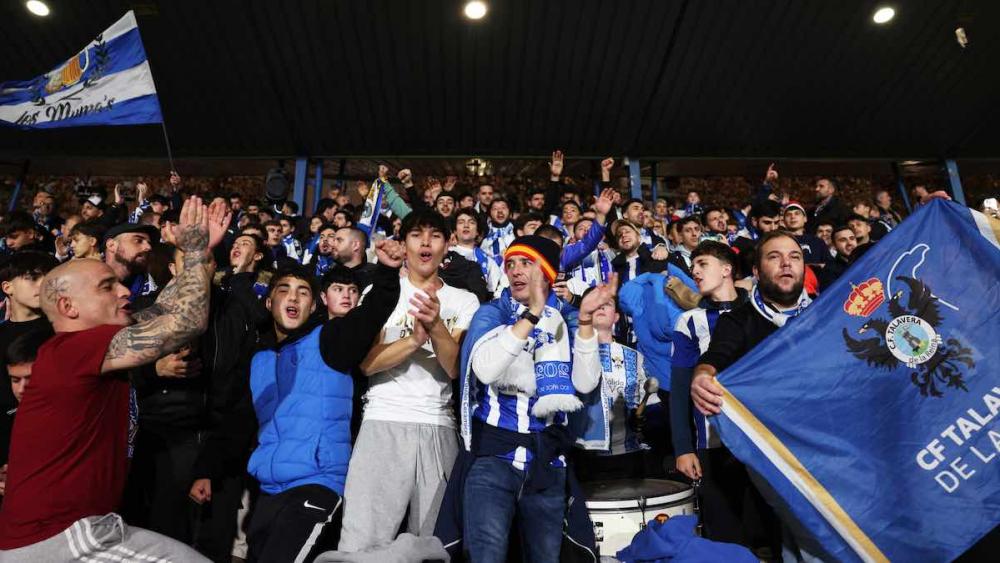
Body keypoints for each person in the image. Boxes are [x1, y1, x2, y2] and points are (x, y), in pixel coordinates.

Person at [0, 196, 222, 561]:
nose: (123, 290)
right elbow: (186, 321)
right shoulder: (73, 349)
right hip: (58, 537)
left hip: (79, 529)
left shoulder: (80, 347)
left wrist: (200, 251)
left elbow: (166, 309)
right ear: (68, 307)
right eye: (106, 287)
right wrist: (195, 251)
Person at [243, 239, 404, 563]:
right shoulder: (259, 357)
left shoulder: (330, 341)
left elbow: (370, 315)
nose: (293, 298)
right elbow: (238, 420)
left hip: (315, 485)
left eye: (303, 292)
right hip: (267, 490)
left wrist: (387, 273)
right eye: (284, 290)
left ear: (314, 304)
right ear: (269, 302)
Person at [338, 211, 479, 553]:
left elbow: (455, 369)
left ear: (447, 245)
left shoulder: (465, 300)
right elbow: (367, 365)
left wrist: (435, 326)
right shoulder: (382, 292)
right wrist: (414, 340)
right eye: (416, 234)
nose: (425, 242)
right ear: (403, 244)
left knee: (434, 547)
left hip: (438, 426)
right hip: (382, 421)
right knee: (362, 544)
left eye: (435, 235)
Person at [460, 235, 606, 563]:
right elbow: (484, 369)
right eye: (510, 264)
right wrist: (533, 314)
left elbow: (585, 384)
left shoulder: (569, 317)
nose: (515, 270)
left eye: (526, 263)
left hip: (547, 464)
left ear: (548, 272)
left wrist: (585, 323)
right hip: (495, 457)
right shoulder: (493, 313)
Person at [690, 231, 813, 559]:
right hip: (780, 464)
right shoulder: (739, 321)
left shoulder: (827, 313)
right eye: (774, 257)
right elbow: (716, 357)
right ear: (756, 271)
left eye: (795, 257)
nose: (786, 263)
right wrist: (702, 375)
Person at [669, 241, 749, 544]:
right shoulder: (689, 321)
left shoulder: (759, 311)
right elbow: (679, 391)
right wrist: (683, 448)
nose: (695, 271)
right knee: (723, 538)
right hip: (713, 444)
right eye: (693, 266)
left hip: (763, 441)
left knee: (766, 535)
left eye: (702, 264)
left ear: (727, 269)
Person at [571, 280, 656, 482]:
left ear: (616, 316)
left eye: (607, 304)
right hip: (583, 454)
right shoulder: (570, 352)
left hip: (627, 456)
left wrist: (643, 417)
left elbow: (651, 404)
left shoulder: (635, 357)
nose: (600, 307)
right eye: (594, 303)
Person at [0, 252, 58, 450]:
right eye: (33, 277)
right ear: (7, 287)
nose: (43, 285)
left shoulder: (63, 330)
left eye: (49, 278)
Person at [1, 327, 55, 502]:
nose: (22, 389)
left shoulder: (77, 419)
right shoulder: (6, 419)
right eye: (15, 380)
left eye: (31, 378)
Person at [782, 202, 830, 267]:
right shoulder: (779, 242)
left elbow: (830, 265)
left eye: (797, 213)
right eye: (788, 215)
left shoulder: (817, 242)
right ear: (784, 221)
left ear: (805, 218)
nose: (793, 217)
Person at [480, 198, 515, 267]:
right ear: (489, 214)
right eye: (495, 208)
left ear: (510, 212)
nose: (500, 211)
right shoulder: (483, 231)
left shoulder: (517, 230)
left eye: (503, 208)